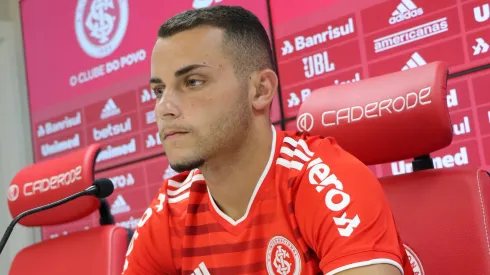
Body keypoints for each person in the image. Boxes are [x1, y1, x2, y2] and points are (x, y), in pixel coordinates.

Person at [122, 5, 414, 275]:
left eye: (193, 82)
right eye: (159, 91)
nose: (165, 108)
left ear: (261, 90)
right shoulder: (170, 210)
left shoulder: (322, 179)